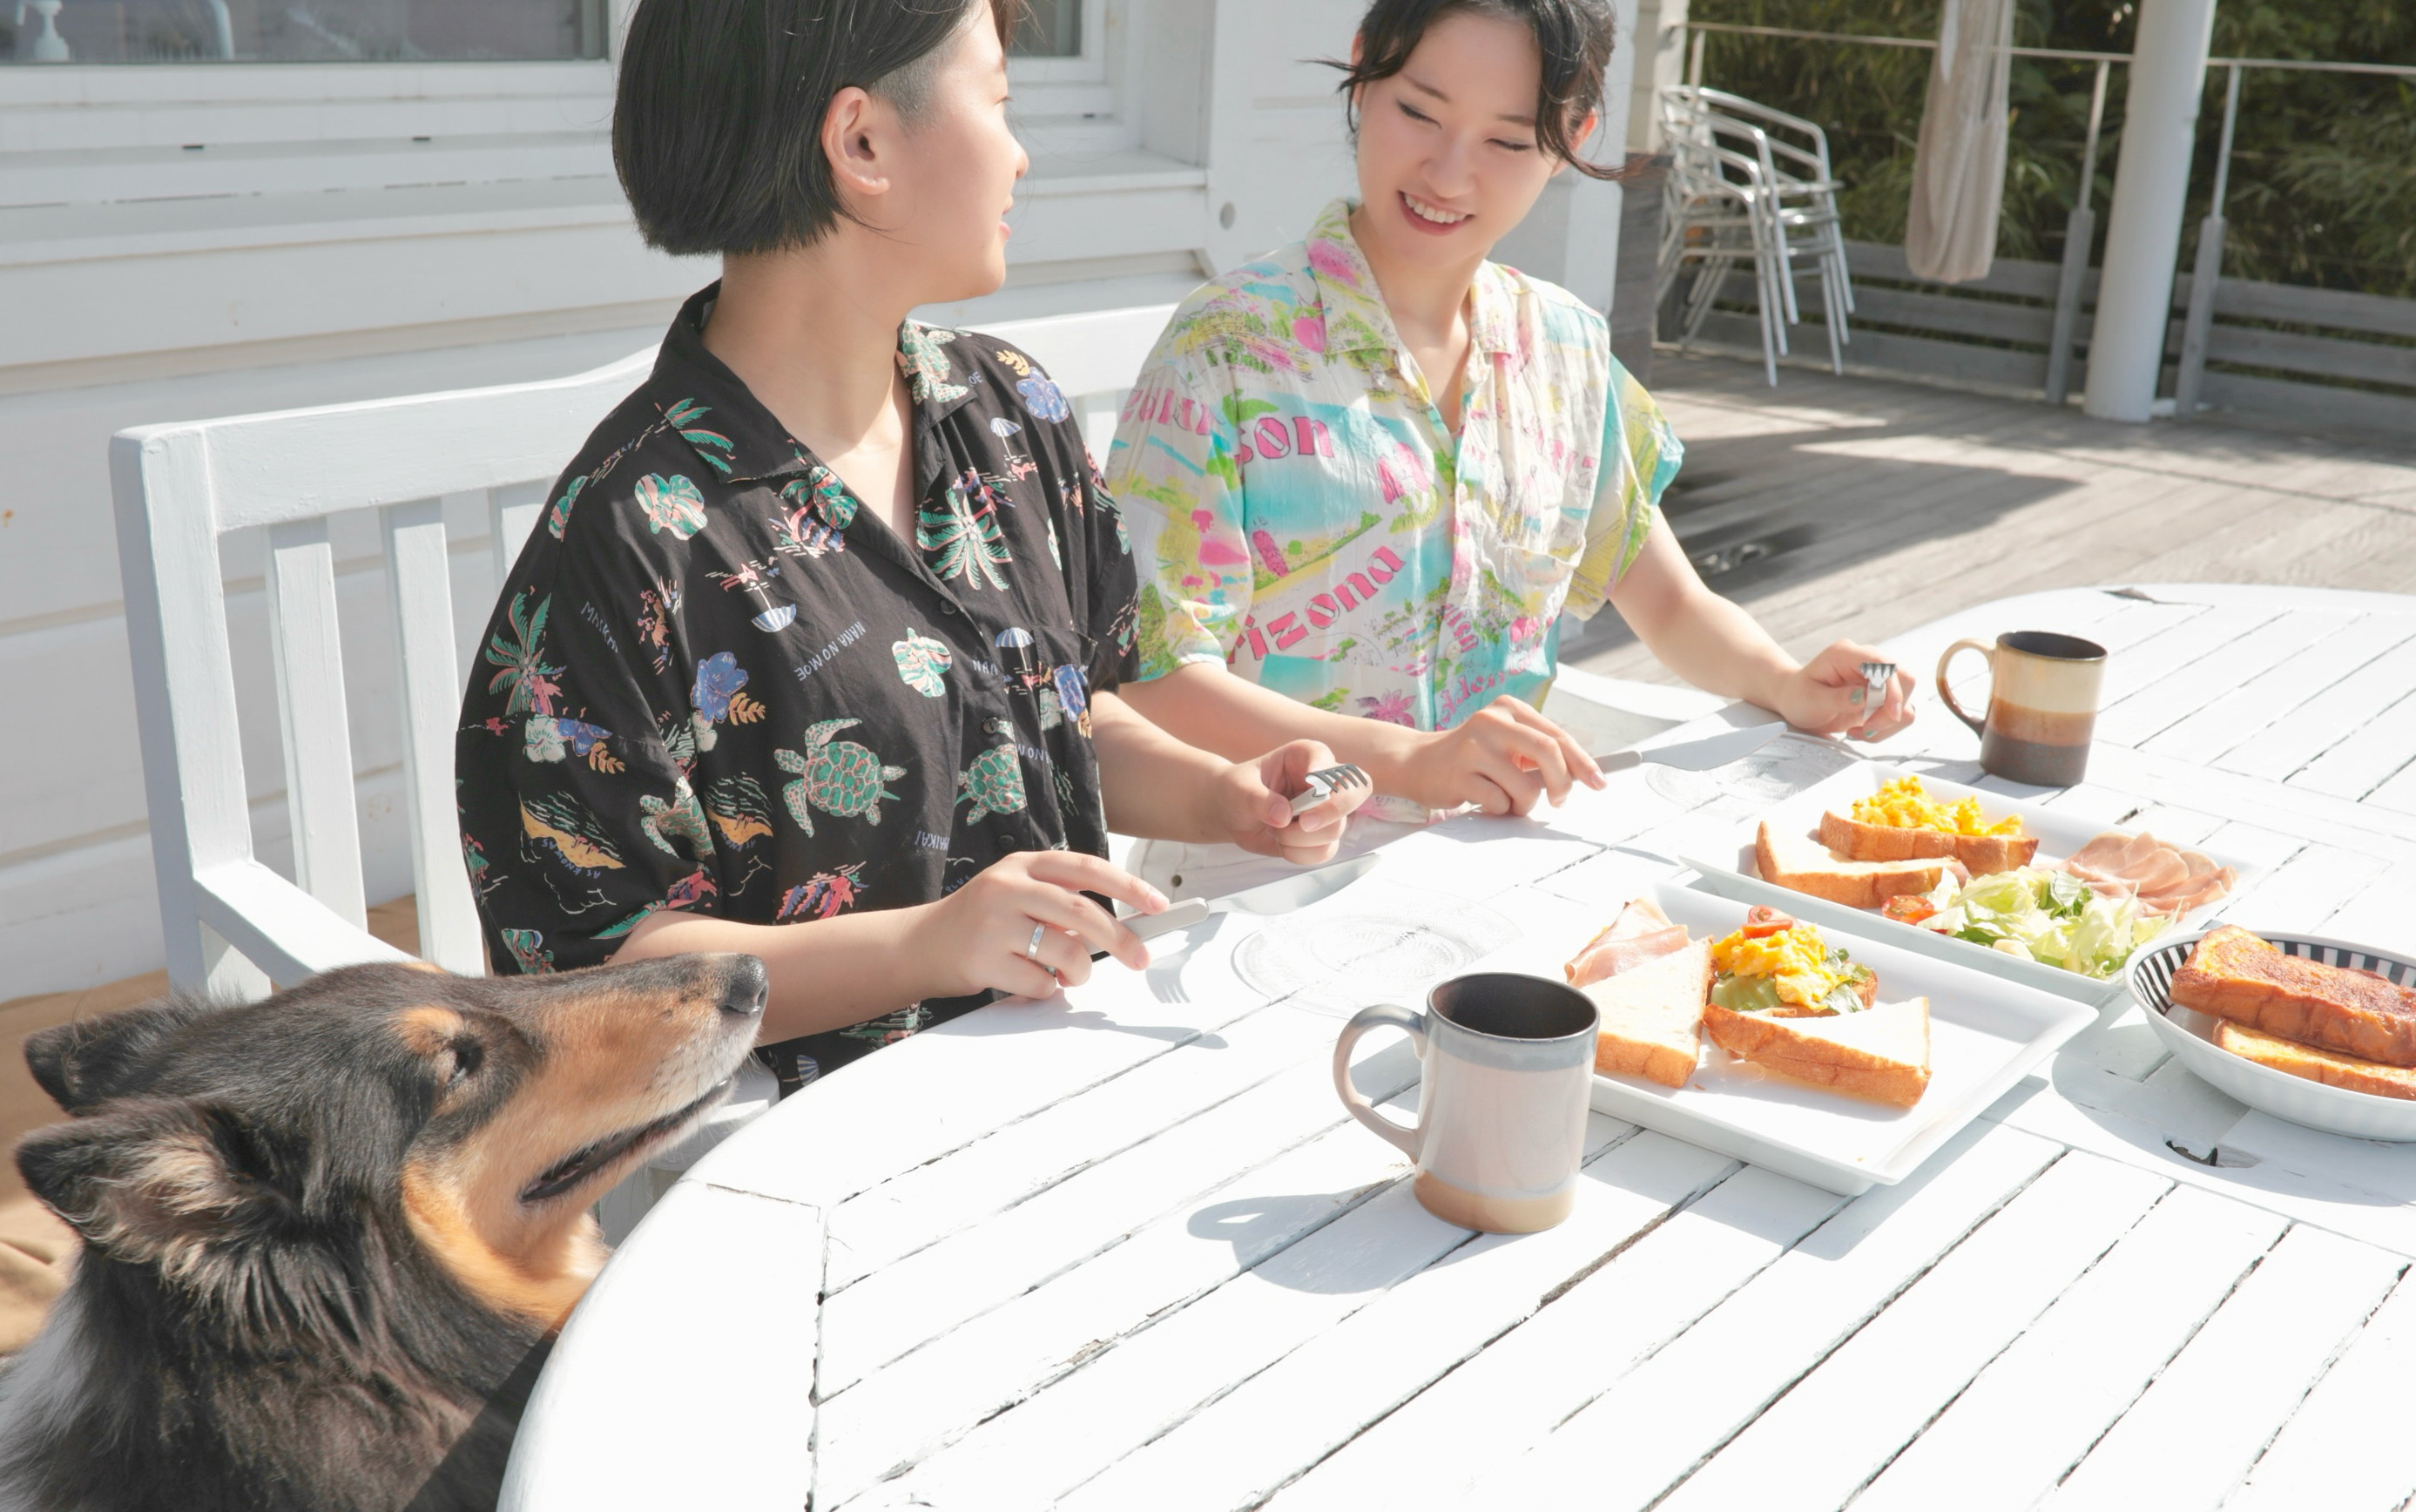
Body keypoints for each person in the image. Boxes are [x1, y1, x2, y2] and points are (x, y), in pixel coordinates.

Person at [455, 0, 1369, 1095]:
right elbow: (597, 973)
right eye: (997, 101)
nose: (1021, 154)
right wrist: (928, 946)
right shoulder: (632, 538)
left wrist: (1223, 798)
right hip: (814, 1150)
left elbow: (1064, 713)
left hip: (1081, 1061)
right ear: (862, 144)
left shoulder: (1007, 412)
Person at [1109, 0, 1916, 888]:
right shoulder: (1224, 347)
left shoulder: (1564, 348)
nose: (1448, 175)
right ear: (1363, 72)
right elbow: (1154, 675)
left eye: (1503, 140)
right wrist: (1408, 759)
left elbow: (1670, 605)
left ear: (1573, 132)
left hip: (1496, 876)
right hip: (1254, 887)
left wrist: (1786, 681)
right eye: (1417, 111)